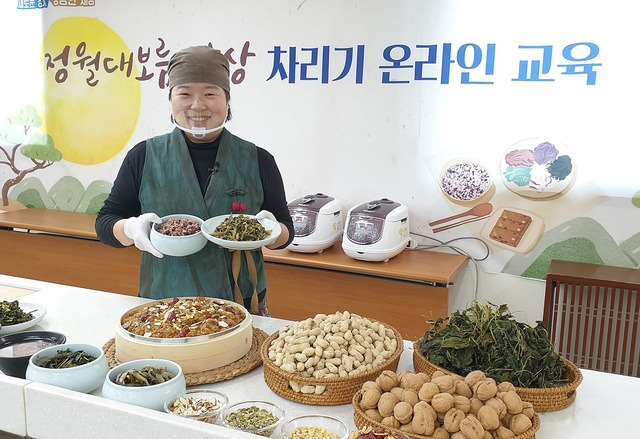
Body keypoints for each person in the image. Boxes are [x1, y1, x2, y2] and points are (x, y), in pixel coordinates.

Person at [95, 45, 293, 316]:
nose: (197, 105)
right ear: (171, 99)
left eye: (210, 94)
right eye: (185, 93)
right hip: (165, 303)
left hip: (240, 301)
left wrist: (272, 230)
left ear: (227, 100)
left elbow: (285, 234)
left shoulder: (258, 159)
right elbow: (105, 222)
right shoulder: (144, 156)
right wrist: (131, 229)